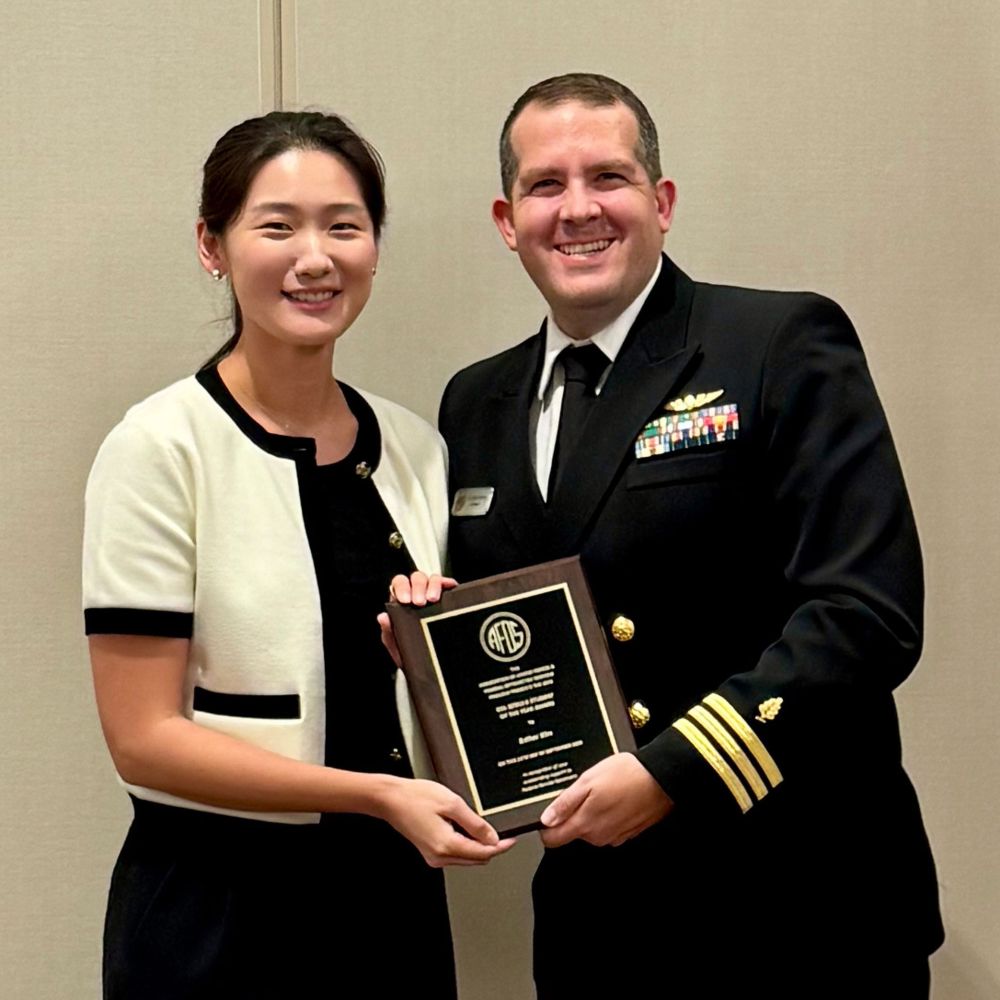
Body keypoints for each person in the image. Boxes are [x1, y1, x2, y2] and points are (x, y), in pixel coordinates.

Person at [397, 73, 944, 997]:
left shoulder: (774, 343)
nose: (578, 210)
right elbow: (519, 630)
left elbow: (866, 614)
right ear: (505, 219)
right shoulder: (475, 401)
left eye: (607, 177)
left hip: (801, 909)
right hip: (603, 923)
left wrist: (674, 773)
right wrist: (427, 634)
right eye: (545, 185)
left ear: (662, 201)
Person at [82, 110, 513, 1000]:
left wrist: (436, 649)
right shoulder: (160, 448)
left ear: (374, 247)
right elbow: (143, 741)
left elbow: (432, 697)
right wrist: (376, 796)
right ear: (213, 244)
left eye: (343, 226)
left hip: (390, 908)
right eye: (276, 226)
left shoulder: (415, 448)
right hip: (218, 911)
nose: (314, 257)